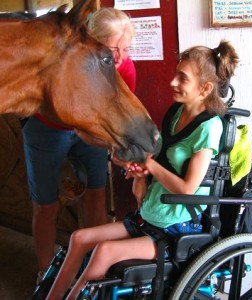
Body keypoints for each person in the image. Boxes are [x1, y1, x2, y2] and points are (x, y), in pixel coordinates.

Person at [46, 40, 239, 300]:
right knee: (79, 237)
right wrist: (140, 175)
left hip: (177, 227)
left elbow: (187, 188)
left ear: (204, 89)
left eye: (182, 78)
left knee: (104, 250)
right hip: (151, 215)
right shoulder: (176, 112)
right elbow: (158, 156)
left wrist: (150, 166)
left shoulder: (209, 128)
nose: (173, 82)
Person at [22, 7, 136, 284]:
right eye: (113, 48)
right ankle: (45, 273)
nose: (121, 57)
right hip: (48, 129)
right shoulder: (65, 63)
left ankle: (91, 269)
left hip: (91, 132)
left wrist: (118, 148)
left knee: (96, 196)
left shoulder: (125, 67)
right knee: (45, 206)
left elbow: (121, 113)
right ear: (89, 42)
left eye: (127, 47)